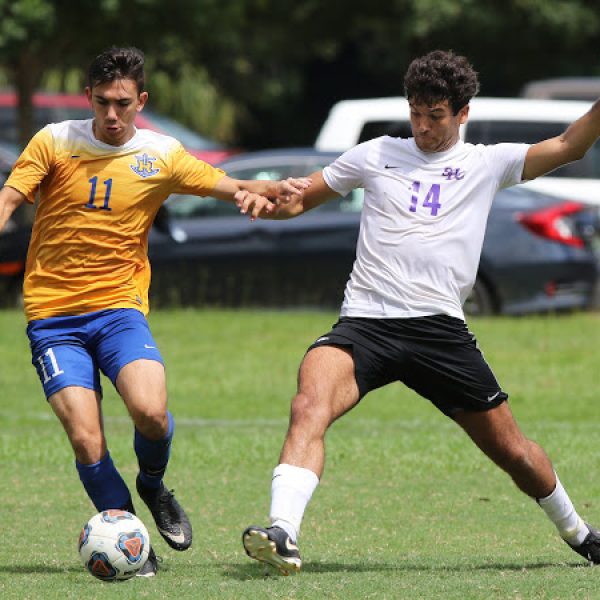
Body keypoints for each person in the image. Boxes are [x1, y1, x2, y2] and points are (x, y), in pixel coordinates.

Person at [240, 49, 600, 575]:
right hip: (364, 325)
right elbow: (300, 200)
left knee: (514, 453)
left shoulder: (486, 162)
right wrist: (262, 199)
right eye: (416, 113)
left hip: (439, 333)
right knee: (308, 405)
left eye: (436, 116)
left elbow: (570, 145)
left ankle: (580, 533)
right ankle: (283, 533)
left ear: (462, 114)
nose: (424, 127)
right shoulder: (375, 153)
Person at [0, 46, 308, 577]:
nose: (112, 115)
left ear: (141, 100)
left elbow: (225, 184)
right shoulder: (54, 141)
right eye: (101, 103)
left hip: (120, 309)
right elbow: (10, 196)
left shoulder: (159, 154)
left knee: (150, 412)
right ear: (88, 97)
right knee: (86, 438)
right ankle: (133, 546)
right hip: (53, 319)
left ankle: (152, 485)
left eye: (122, 104)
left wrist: (263, 188)